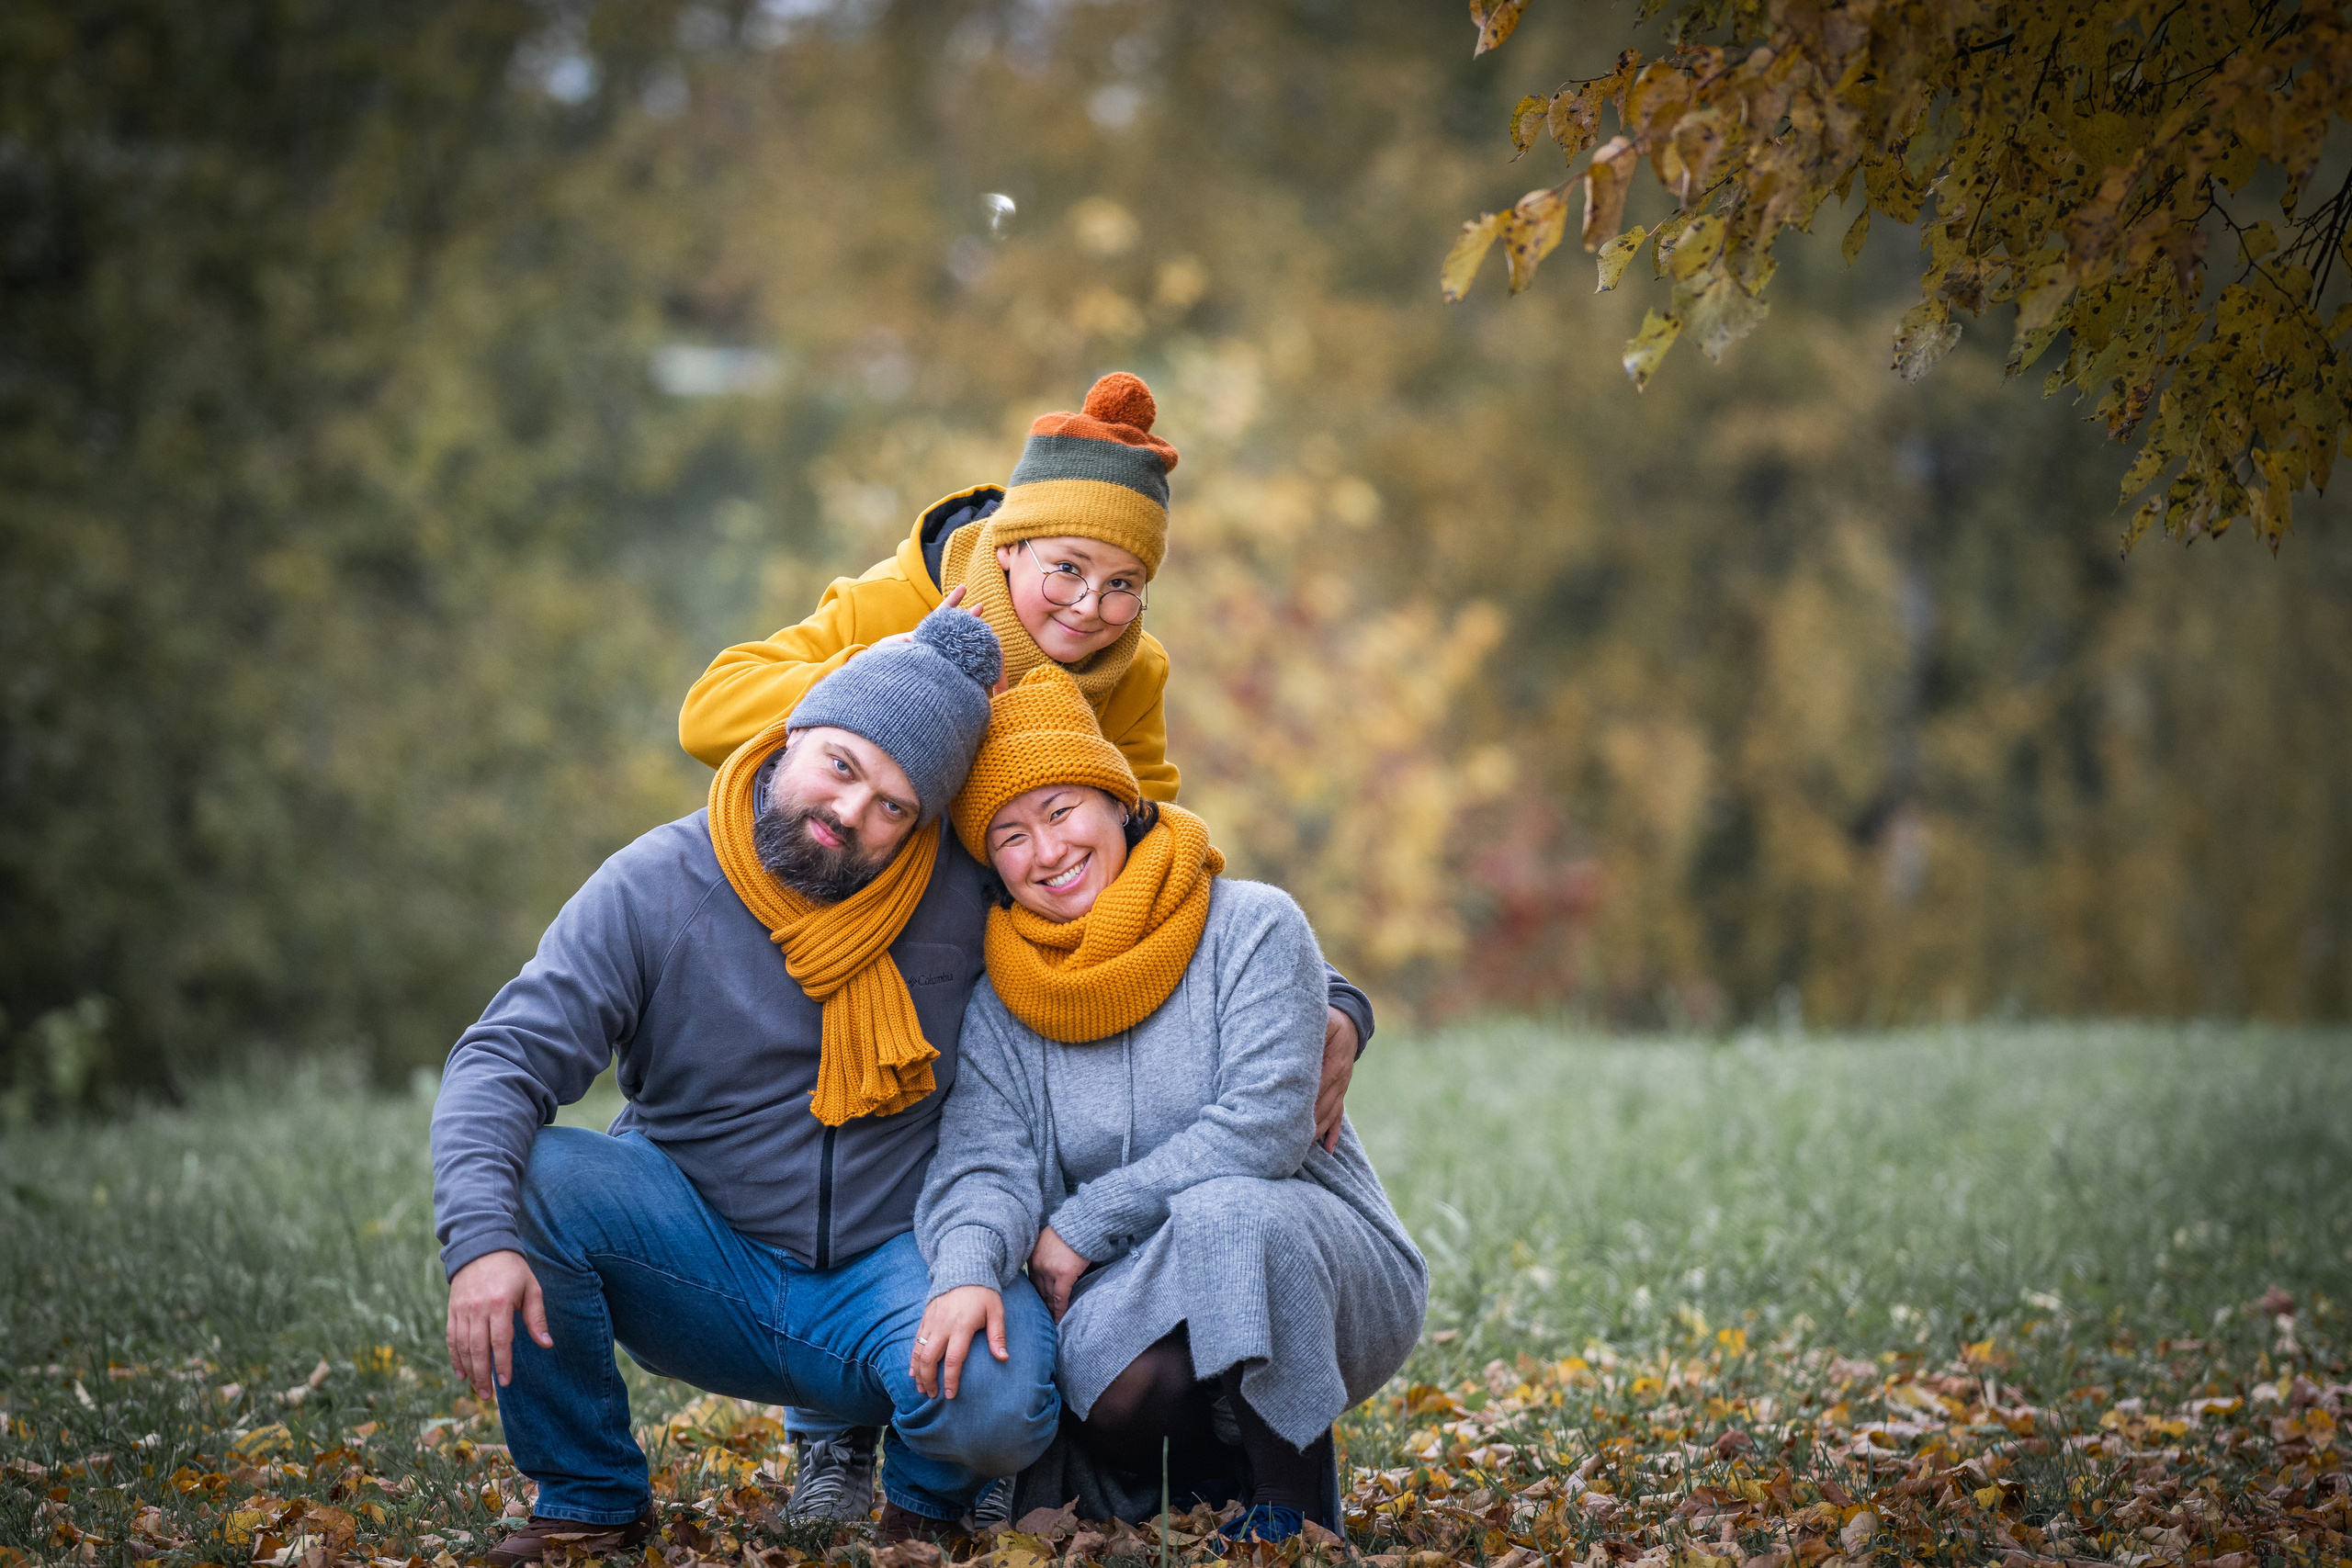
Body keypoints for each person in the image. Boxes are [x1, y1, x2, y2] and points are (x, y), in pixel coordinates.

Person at [674, 373, 1380, 1510]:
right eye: (1068, 571)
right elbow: (712, 709)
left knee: (984, 1162)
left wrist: (1335, 999)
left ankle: (1047, 1430)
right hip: (866, 922)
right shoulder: (897, 600)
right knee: (863, 1148)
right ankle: (836, 1434)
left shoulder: (1129, 672)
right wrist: (907, 683)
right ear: (1005, 549)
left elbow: (1156, 845)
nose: (1093, 607)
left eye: (1124, 584)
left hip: (1005, 935)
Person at [430, 608, 1057, 1563]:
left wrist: (1334, 1005)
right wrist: (478, 1243)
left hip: (897, 1266)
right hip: (697, 1259)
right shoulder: (655, 885)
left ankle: (928, 1505)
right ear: (794, 732)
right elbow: (501, 1062)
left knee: (1000, 1400)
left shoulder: (967, 893)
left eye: (894, 806)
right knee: (532, 1175)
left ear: (923, 824)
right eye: (843, 767)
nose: (851, 813)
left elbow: (1136, 907)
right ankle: (588, 1500)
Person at [910, 667, 1429, 1541]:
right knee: (1110, 1384)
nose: (1047, 851)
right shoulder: (1002, 1003)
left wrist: (1084, 1222)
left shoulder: (1253, 925)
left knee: (1231, 1209)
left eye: (1064, 809)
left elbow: (1266, 1129)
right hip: (1137, 1279)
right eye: (1010, 833)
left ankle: (1291, 1514)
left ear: (1120, 802)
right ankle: (1211, 1478)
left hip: (1317, 1252)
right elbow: (982, 1166)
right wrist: (964, 1271)